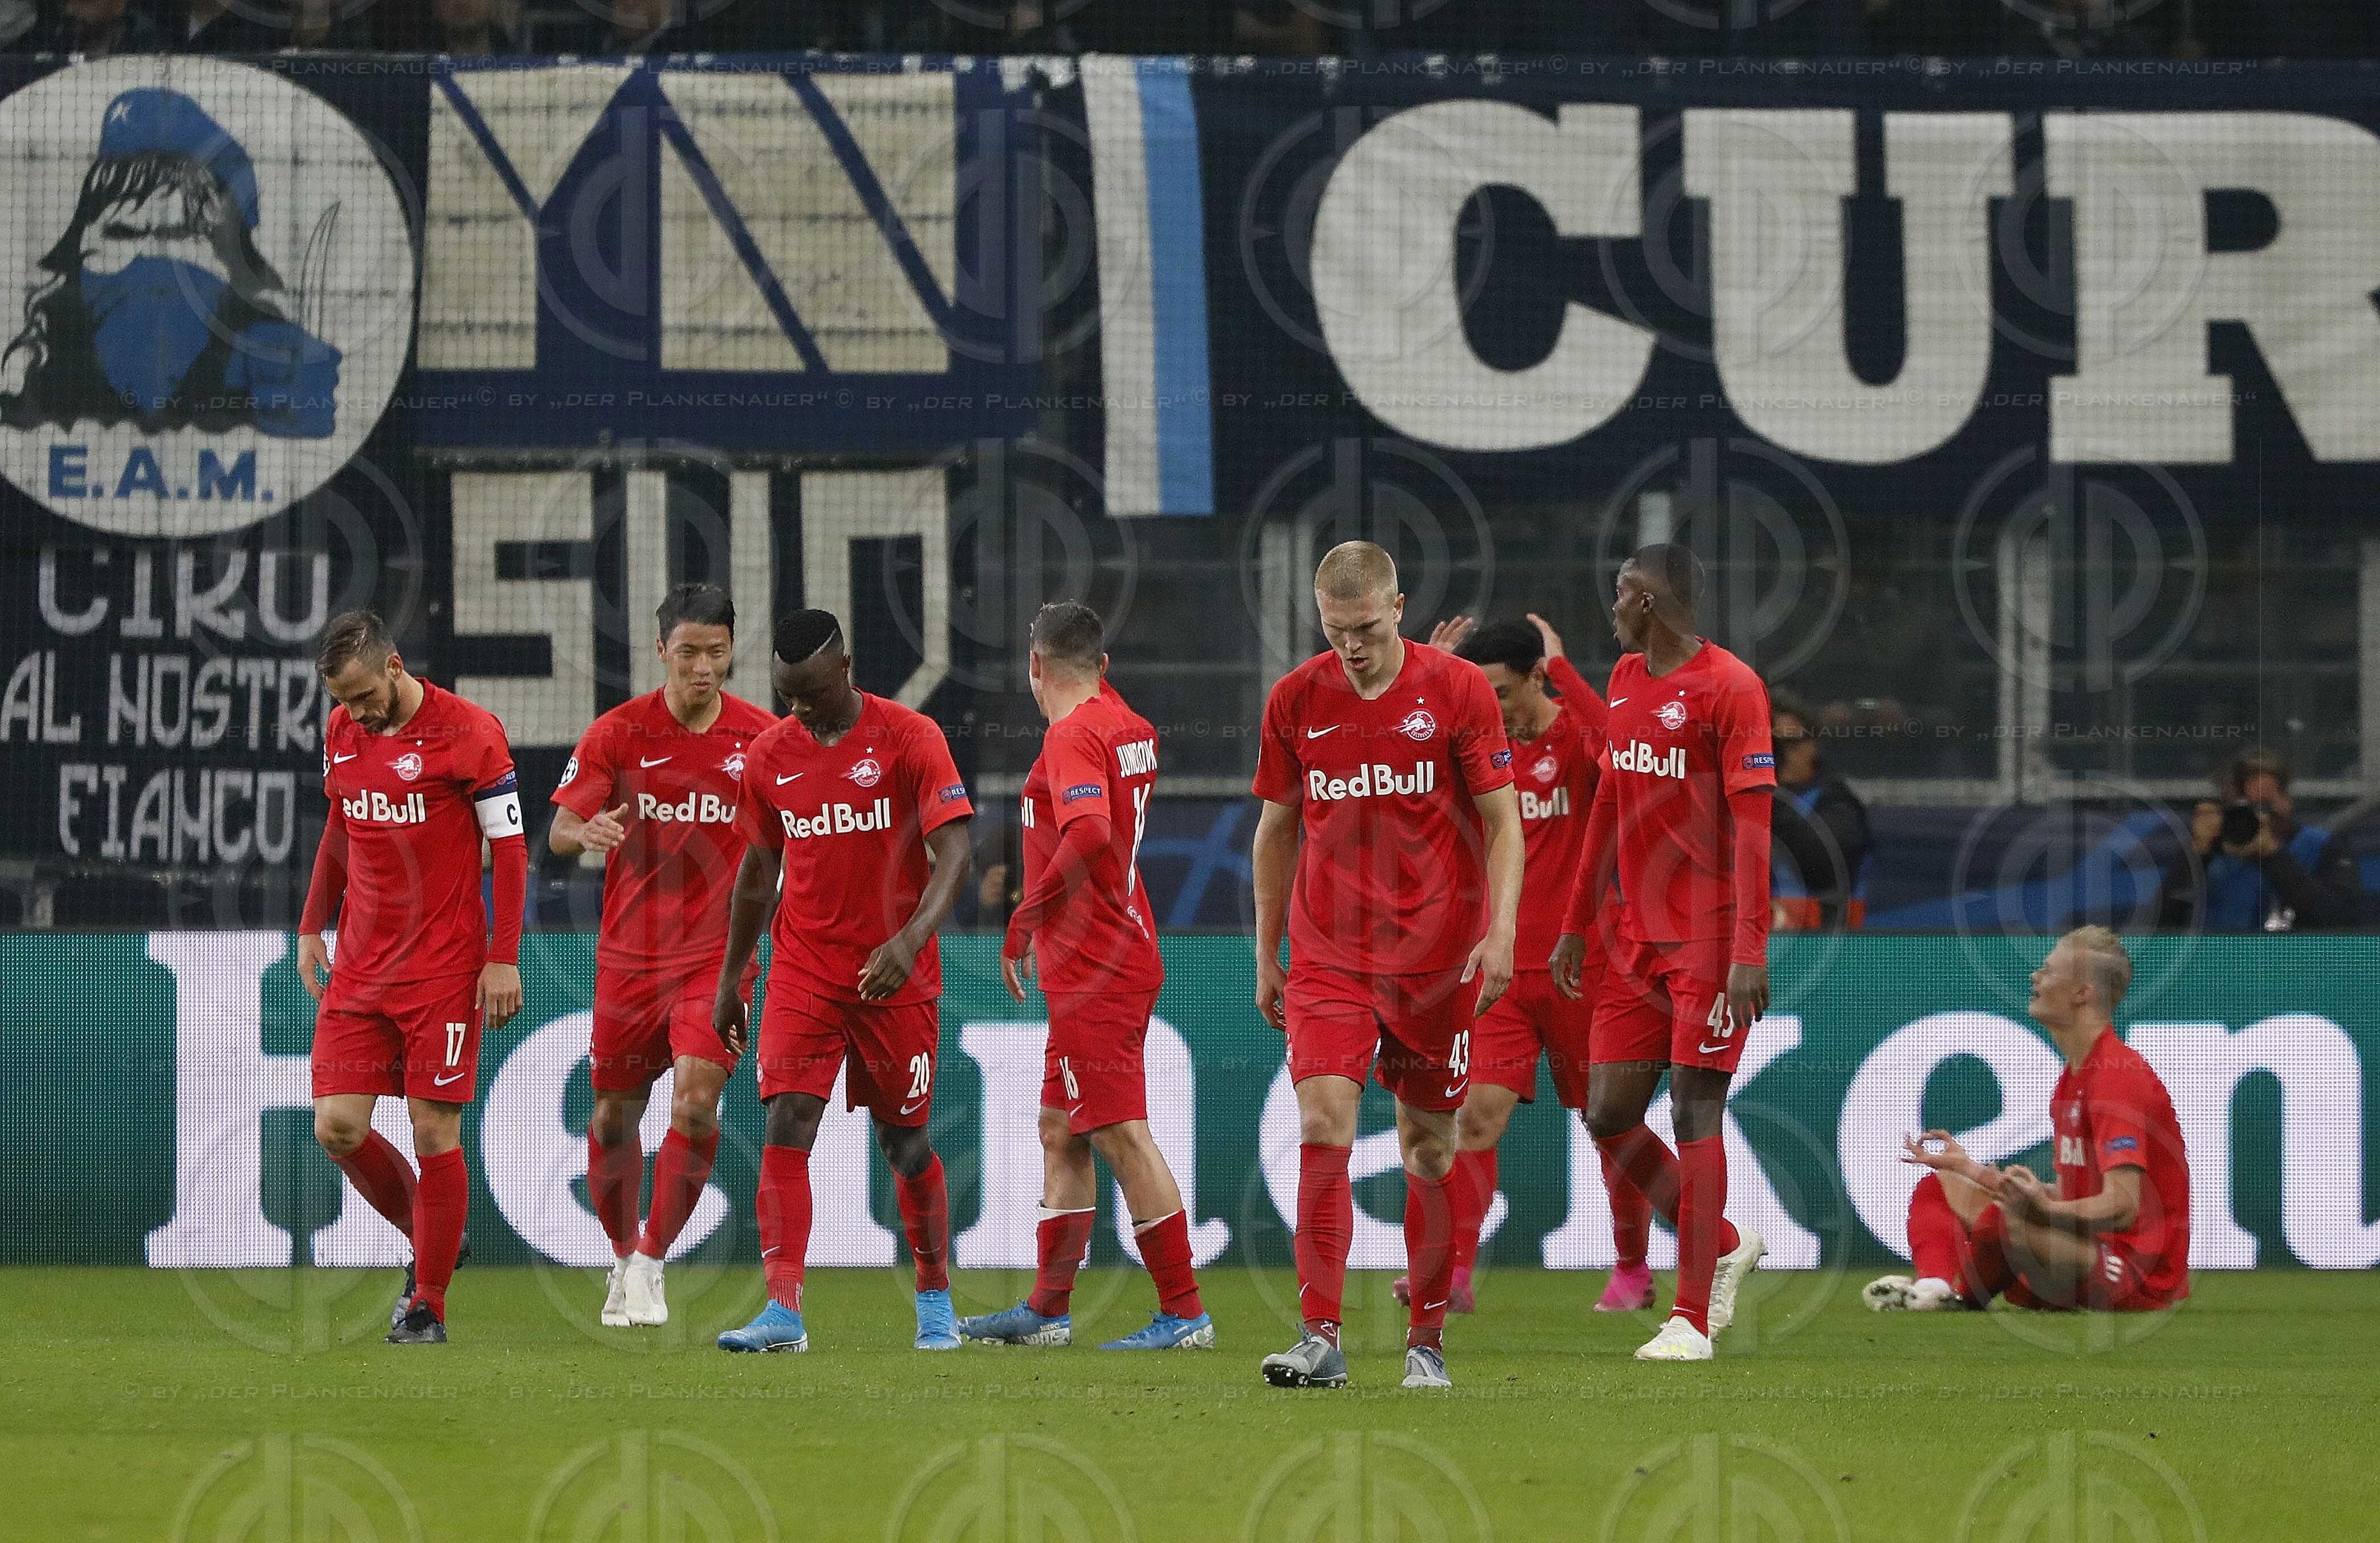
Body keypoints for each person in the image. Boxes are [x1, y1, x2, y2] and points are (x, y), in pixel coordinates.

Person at [1250, 542, 1524, 1392]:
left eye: (1365, 628)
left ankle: (1427, 1339)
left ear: (1398, 606)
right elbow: (1276, 828)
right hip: (1330, 951)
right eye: (1337, 631)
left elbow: (1503, 820)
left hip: (1436, 960)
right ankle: (1320, 1335)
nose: (1352, 647)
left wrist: (1503, 930)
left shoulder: (1458, 689)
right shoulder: (1296, 698)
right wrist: (1266, 946)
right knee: (1324, 1122)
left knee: (1428, 1147)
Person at [712, 610, 975, 1354]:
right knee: (788, 1120)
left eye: (812, 694)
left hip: (897, 976)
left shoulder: (910, 737)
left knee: (906, 1143)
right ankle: (782, 1310)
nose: (800, 709)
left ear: (847, 668)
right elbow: (758, 870)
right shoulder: (770, 755)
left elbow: (954, 847)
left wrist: (910, 938)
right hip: (805, 969)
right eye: (788, 696)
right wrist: (733, 975)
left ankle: (933, 1297)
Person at [957, 601, 1215, 1351]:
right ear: (1101, 666)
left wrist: (1026, 914)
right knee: (1061, 1127)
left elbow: (1092, 830)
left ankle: (1185, 1309)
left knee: (1119, 1130)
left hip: (1097, 960)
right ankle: (1048, 1308)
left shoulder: (1071, 734)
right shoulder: (1126, 723)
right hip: (1112, 951)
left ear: (1034, 665)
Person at [1393, 612, 1656, 1316]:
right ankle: (1452, 1276)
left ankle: (1632, 1268)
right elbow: (1401, 766)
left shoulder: (1577, 736)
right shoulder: (1474, 743)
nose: (1492, 706)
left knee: (1610, 1123)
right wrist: (1424, 682)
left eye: (1503, 692)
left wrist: (1570, 670)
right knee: (1474, 1116)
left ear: (1538, 677)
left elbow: (1626, 753)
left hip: (1586, 965)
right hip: (1500, 966)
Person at [1551, 544, 1774, 1363]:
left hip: (1711, 938)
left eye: (1619, 593)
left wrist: (1748, 949)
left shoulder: (1732, 688)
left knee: (1693, 1109)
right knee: (1607, 1111)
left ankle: (1689, 1317)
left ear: (1646, 598)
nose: (1611, 607)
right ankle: (1718, 1240)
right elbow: (1609, 800)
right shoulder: (1624, 680)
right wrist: (1577, 921)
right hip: (1631, 937)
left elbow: (1755, 828)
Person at [297, 610, 527, 1345]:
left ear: (395, 667)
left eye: (364, 694)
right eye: (343, 700)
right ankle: (436, 1234)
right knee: (336, 1125)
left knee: (434, 1130)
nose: (357, 712)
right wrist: (311, 924)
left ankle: (428, 1302)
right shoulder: (343, 734)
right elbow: (340, 829)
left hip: (442, 967)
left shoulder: (472, 733)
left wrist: (504, 956)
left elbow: (512, 851)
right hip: (361, 966)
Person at [550, 584, 775, 1330]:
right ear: (661, 652)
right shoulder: (618, 733)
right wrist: (584, 835)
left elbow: (797, 835)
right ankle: (621, 1254)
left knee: (695, 1101)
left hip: (718, 959)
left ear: (732, 649)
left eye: (717, 651)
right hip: (630, 960)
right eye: (689, 652)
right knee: (615, 1116)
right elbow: (559, 827)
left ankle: (651, 1259)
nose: (704, 667)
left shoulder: (763, 740)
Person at [1866, 926, 2190, 1314]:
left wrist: (2042, 1209)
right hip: (2085, 1249)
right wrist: (1974, 1170)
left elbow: (2122, 1207)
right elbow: (2079, 1199)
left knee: (2010, 1222)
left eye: (2049, 970)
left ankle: (1959, 1300)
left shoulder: (2115, 1076)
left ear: (2082, 993)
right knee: (1943, 1186)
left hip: (2137, 1272)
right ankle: (1933, 1285)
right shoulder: (2073, 1078)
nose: (2036, 976)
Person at [2157, 748, 2358, 932]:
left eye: (2263, 806)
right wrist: (2196, 855)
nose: (2253, 817)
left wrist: (2273, 856)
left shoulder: (2319, 846)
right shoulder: (2207, 849)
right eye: (2241, 808)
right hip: (2215, 963)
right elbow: (2158, 925)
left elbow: (2343, 923)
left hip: (2295, 963)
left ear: (2285, 801)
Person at [1768, 689, 1871, 931]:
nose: (1780, 755)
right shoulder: (1736, 799)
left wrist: (1768, 796)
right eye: (1773, 745)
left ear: (1812, 744)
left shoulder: (1836, 801)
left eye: (1789, 744)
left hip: (1820, 945)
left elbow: (1823, 866)